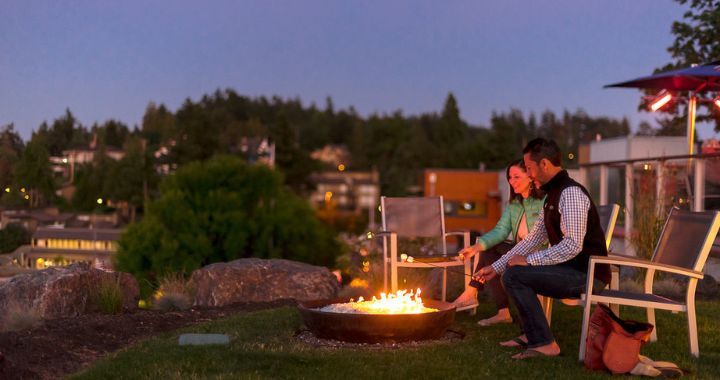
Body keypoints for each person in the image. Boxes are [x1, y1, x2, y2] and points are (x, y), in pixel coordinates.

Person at [476, 138, 611, 360]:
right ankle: (534, 337)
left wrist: (529, 261)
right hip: (571, 269)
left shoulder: (570, 193)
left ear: (545, 164)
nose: (529, 175)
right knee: (510, 274)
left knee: (516, 276)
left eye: (529, 169)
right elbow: (532, 239)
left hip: (587, 274)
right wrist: (496, 266)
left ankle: (544, 343)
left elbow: (572, 245)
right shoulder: (553, 195)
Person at [451, 158, 545, 326]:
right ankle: (501, 311)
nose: (511, 181)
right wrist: (475, 248)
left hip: (539, 254)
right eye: (510, 177)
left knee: (491, 251)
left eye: (516, 176)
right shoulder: (515, 204)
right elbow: (500, 231)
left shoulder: (543, 202)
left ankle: (472, 293)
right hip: (519, 251)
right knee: (488, 250)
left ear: (530, 176)